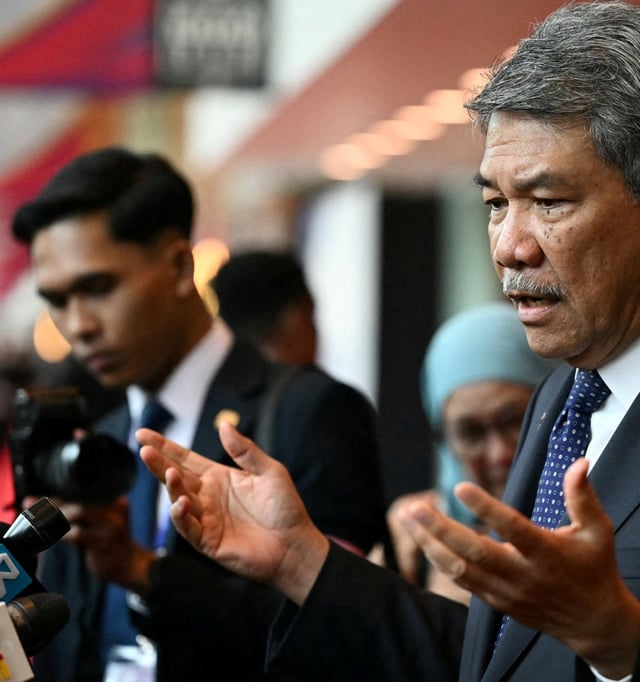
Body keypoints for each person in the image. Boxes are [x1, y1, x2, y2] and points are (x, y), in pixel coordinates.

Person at [139, 3, 640, 680]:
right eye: (495, 203)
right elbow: (499, 661)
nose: (509, 245)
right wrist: (302, 561)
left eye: (548, 201)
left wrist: (622, 641)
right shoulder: (564, 396)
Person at [10, 146, 387, 682]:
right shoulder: (96, 440)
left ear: (179, 266)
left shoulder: (309, 413)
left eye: (97, 288)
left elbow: (341, 629)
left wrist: (145, 575)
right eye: (58, 300)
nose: (78, 325)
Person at [384, 302, 559, 601]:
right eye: (471, 433)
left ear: (555, 407)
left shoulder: (598, 526)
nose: (498, 454)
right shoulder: (415, 537)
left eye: (515, 421)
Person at [209, 249, 319, 366]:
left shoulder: (224, 378)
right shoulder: (319, 383)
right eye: (310, 317)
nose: (316, 333)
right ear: (295, 319)